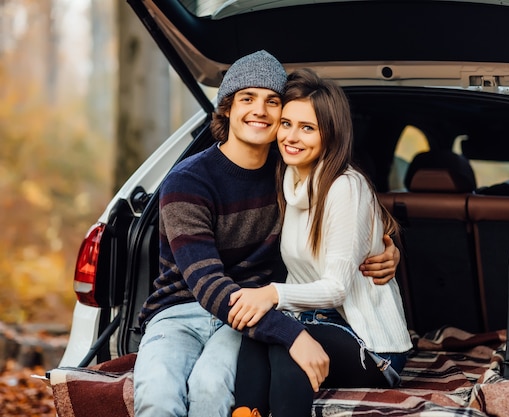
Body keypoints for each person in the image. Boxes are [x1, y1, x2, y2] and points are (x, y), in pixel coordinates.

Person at [133, 50, 399, 417]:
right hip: (182, 310)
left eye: (272, 101)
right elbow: (208, 283)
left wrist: (388, 251)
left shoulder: (291, 170)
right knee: (157, 396)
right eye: (247, 98)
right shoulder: (186, 180)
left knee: (211, 389)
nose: (259, 110)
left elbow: (360, 217)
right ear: (226, 107)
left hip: (249, 319)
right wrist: (293, 335)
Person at [229, 68, 413, 417]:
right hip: (314, 319)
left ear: (331, 134)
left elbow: (336, 289)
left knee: (289, 338)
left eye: (308, 128)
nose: (292, 137)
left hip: (372, 344)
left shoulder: (345, 186)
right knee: (262, 329)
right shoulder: (287, 177)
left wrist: (271, 294)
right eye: (286, 123)